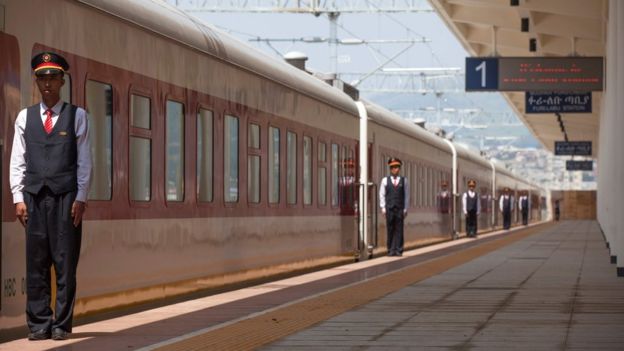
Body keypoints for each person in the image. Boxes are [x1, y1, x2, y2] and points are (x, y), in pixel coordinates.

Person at [9, 52, 92, 341]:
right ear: (37, 82)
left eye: (52, 78)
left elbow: (84, 161)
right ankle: (39, 322)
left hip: (66, 199)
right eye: (42, 78)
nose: (47, 83)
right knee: (36, 262)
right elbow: (17, 161)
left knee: (65, 262)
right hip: (34, 197)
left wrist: (80, 197)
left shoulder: (77, 115)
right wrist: (18, 197)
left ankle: (61, 324)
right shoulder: (25, 117)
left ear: (62, 81)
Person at [379, 158, 409, 256]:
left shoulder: (404, 181)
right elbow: (382, 195)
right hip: (389, 208)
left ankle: (399, 249)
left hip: (400, 208)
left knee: (399, 229)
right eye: (394, 167)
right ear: (390, 169)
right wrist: (383, 207)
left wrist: (405, 208)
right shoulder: (385, 180)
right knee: (390, 229)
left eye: (397, 167)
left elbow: (406, 195)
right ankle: (391, 250)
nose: (396, 169)